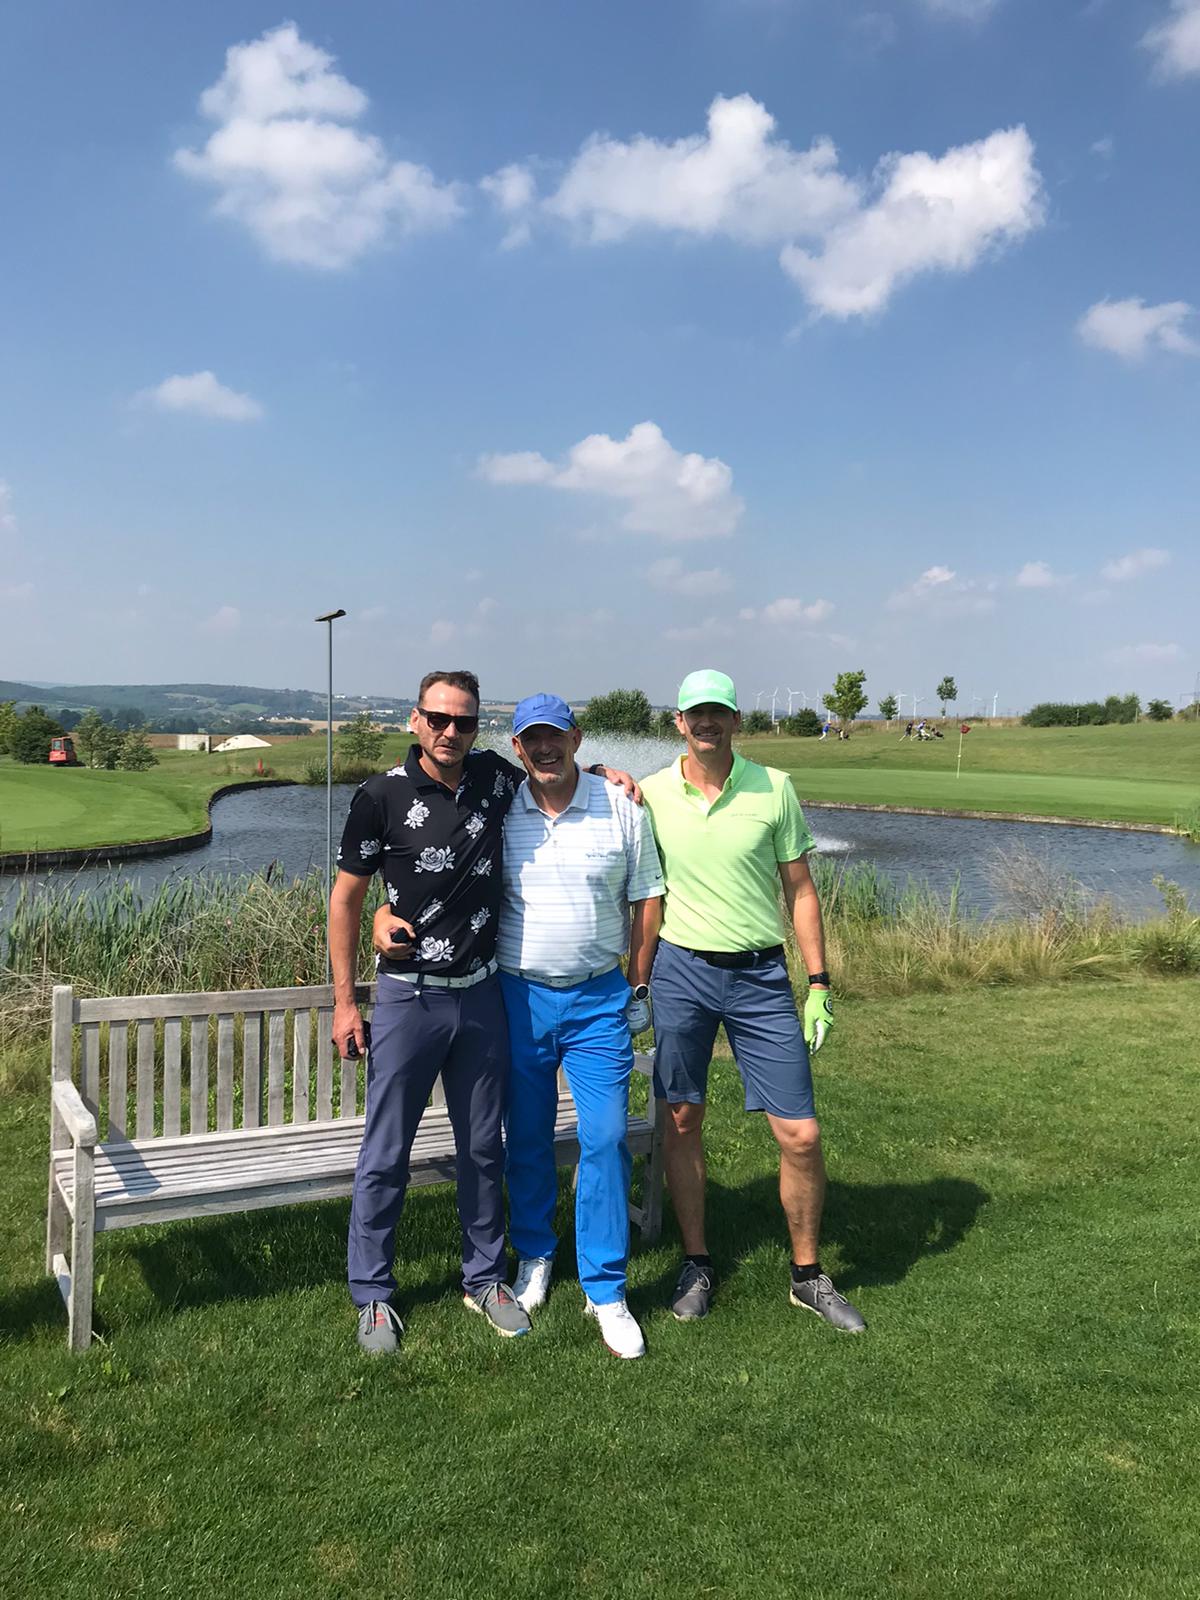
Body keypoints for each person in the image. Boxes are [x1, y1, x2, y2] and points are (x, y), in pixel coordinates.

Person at [330, 670, 635, 1355]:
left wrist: (605, 773)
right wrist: (346, 1001)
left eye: (463, 722)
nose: (449, 732)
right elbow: (346, 900)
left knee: (480, 1148)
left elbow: (554, 772)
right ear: (415, 720)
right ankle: (373, 1293)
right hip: (409, 998)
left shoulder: (496, 781)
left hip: (483, 995)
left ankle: (486, 1277)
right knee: (387, 1150)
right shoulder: (379, 796)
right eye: (437, 719)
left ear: (477, 729)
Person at [638, 668, 866, 1334]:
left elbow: (800, 889)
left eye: (719, 712)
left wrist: (818, 982)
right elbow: (641, 892)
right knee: (681, 1119)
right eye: (695, 714)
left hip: (761, 977)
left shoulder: (775, 787)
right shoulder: (651, 792)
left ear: (736, 720)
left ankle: (807, 1275)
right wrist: (637, 979)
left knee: (801, 1133)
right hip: (680, 972)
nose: (706, 723)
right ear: (679, 722)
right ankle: (697, 1263)